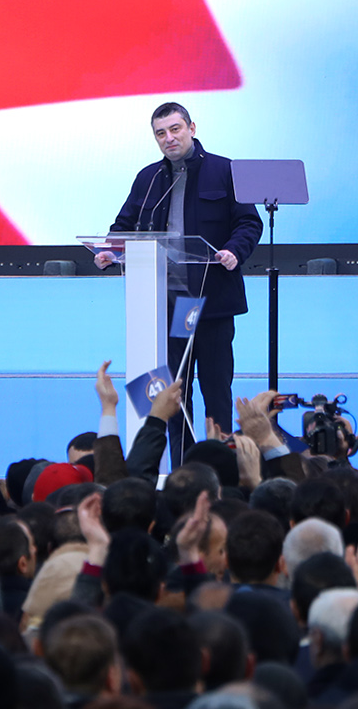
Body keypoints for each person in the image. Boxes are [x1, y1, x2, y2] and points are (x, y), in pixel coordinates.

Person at [94, 102, 263, 453]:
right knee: (171, 396)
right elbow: (124, 225)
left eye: (175, 129)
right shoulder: (148, 178)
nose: (168, 138)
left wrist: (234, 251)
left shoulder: (225, 170)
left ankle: (219, 466)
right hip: (166, 306)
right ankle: (182, 469)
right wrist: (111, 250)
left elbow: (248, 222)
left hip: (211, 302)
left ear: (191, 128)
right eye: (160, 133)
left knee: (216, 391)